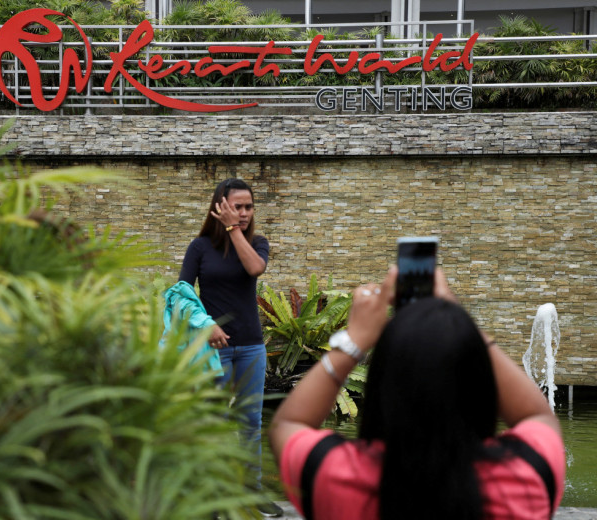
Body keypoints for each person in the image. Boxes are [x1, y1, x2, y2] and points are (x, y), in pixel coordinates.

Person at [270, 266, 565, 520]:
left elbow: (288, 424)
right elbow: (538, 416)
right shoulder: (526, 481)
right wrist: (461, 323)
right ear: (479, 389)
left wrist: (355, 340)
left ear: (380, 387)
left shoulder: (336, 479)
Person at [179, 178, 283, 517]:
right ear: (219, 206)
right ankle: (210, 495)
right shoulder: (199, 248)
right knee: (213, 421)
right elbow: (181, 293)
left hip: (251, 346)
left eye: (248, 207)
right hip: (213, 348)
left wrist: (235, 230)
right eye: (236, 207)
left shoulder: (258, 243)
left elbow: (255, 269)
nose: (243, 213)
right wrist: (204, 323)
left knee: (250, 422)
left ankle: (249, 492)